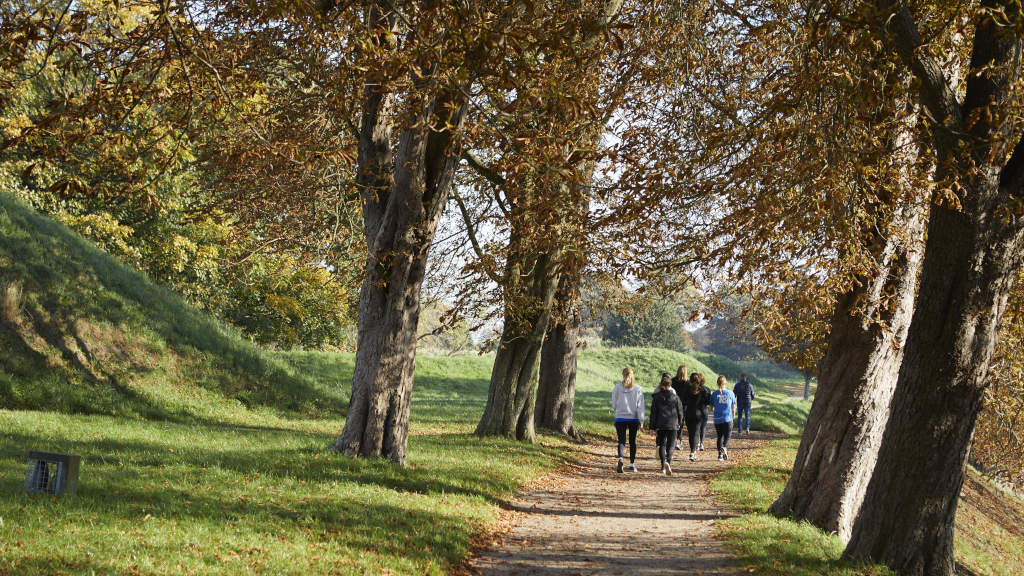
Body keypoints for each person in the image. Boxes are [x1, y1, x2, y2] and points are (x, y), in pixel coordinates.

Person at [649, 372, 684, 475]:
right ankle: (668, 461)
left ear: (661, 385)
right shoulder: (675, 397)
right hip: (673, 424)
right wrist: (680, 423)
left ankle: (663, 465)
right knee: (671, 444)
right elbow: (680, 412)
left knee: (661, 444)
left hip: (660, 424)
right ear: (670, 385)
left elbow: (653, 412)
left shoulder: (656, 397)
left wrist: (652, 427)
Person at [612, 367, 644, 473]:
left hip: (620, 417)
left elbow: (613, 404)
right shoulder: (638, 389)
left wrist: (618, 409)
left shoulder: (617, 387)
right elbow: (640, 406)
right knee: (632, 441)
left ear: (622, 375)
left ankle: (620, 459)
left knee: (621, 441)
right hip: (633, 418)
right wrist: (641, 420)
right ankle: (632, 464)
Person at [681, 372, 711, 462]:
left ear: (690, 380)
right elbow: (707, 402)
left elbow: (683, 401)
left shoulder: (687, 390)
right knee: (696, 433)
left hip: (689, 413)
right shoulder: (703, 391)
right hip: (698, 415)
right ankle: (693, 452)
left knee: (691, 434)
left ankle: (692, 450)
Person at [710, 375, 737, 461]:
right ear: (725, 383)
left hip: (717, 418)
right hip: (727, 417)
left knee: (719, 436)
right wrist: (733, 415)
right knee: (727, 436)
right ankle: (724, 447)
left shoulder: (714, 394)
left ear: (717, 383)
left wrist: (716, 409)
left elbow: (711, 407)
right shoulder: (730, 393)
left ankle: (719, 455)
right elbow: (733, 406)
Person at [670, 365, 688, 449]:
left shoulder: (673, 381)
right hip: (683, 406)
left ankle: (673, 440)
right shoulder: (687, 383)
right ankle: (679, 441)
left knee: (674, 422)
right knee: (680, 423)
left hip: (673, 405)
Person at [697, 374, 712, 451]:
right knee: (703, 428)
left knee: (696, 428)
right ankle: (701, 443)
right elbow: (709, 402)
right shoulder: (707, 389)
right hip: (704, 410)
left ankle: (697, 443)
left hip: (695, 410)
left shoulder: (694, 389)